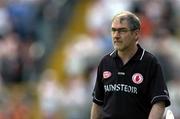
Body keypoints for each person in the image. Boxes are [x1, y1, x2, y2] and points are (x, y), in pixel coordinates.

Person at [90, 11, 170, 119]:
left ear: (136, 34)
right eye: (113, 30)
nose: (116, 36)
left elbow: (159, 103)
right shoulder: (105, 62)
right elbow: (97, 102)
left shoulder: (150, 62)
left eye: (122, 31)